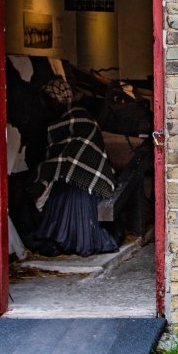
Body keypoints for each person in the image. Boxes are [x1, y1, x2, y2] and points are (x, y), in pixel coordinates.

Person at [27, 78, 118, 257]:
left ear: (57, 99)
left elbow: (89, 150)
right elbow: (60, 157)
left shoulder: (82, 118)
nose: (47, 105)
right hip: (67, 180)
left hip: (87, 183)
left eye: (49, 100)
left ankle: (68, 239)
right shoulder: (63, 122)